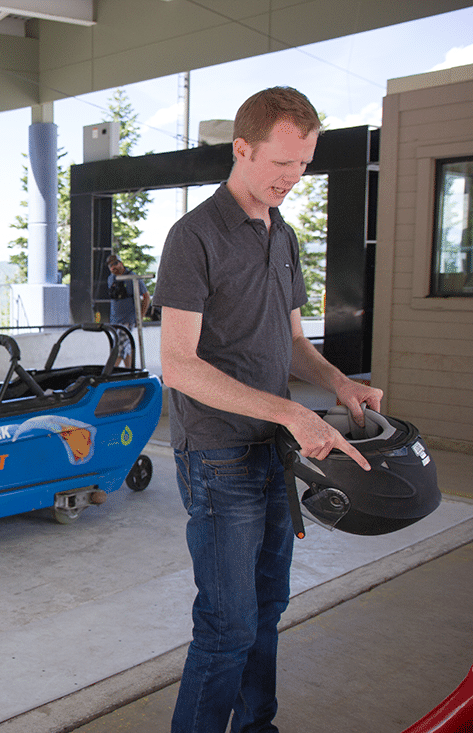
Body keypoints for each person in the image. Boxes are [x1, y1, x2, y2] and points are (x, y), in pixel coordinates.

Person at [153, 86, 383, 733]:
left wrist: (339, 383)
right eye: (282, 164)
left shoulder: (283, 235)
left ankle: (258, 726)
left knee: (267, 606)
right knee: (227, 626)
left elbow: (292, 343)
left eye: (303, 165)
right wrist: (289, 411)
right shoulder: (194, 236)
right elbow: (180, 363)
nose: (293, 178)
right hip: (220, 457)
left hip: (275, 454)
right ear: (243, 149)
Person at [106, 254, 150, 368]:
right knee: (125, 349)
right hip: (115, 320)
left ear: (121, 263)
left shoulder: (132, 277)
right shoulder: (111, 278)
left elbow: (146, 296)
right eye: (110, 265)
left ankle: (109, 374)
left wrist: (141, 316)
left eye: (115, 263)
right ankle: (130, 372)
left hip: (127, 320)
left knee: (119, 350)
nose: (113, 267)